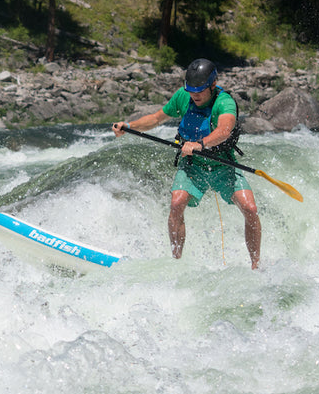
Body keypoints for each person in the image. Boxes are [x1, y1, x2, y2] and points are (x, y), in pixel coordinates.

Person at [112, 59, 261, 269]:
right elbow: (156, 119)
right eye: (191, 90)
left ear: (212, 84)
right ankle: (176, 261)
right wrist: (128, 126)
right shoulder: (183, 97)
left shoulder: (224, 102)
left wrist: (200, 144)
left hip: (222, 163)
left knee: (250, 208)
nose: (195, 95)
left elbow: (224, 131)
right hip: (193, 164)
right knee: (176, 204)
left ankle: (256, 265)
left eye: (200, 91)